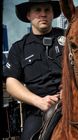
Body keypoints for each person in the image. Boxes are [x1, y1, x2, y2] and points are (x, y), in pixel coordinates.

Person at [4, 0, 65, 139]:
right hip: (38, 111)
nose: (43, 14)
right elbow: (11, 83)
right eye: (38, 10)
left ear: (52, 14)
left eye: (47, 10)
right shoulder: (19, 48)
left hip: (73, 101)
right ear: (28, 16)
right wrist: (39, 101)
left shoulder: (69, 37)